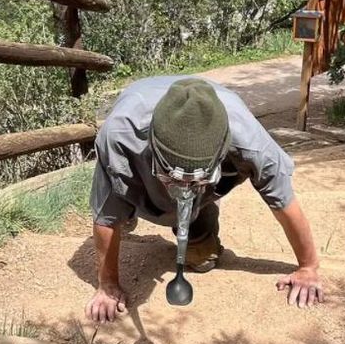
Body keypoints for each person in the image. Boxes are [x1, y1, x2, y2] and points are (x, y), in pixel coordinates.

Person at [87, 76, 324, 323]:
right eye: (174, 177)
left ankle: (197, 218)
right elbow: (106, 215)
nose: (184, 188)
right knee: (120, 205)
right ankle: (133, 208)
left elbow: (283, 201)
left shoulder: (253, 145)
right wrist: (107, 286)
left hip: (207, 187)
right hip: (140, 163)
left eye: (195, 179)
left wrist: (308, 267)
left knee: (202, 259)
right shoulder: (120, 135)